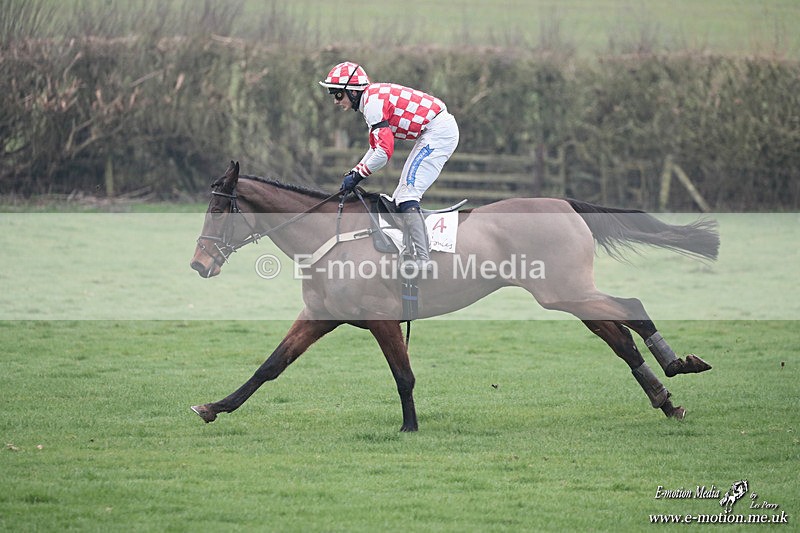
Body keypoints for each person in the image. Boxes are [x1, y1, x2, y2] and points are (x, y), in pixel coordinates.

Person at [319, 61, 459, 272]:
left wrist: (358, 176)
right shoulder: (371, 100)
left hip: (438, 132)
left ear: (353, 91)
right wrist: (355, 171)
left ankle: (423, 259)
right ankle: (412, 248)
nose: (336, 101)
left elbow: (384, 153)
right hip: (433, 130)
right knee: (401, 195)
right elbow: (375, 148)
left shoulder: (373, 104)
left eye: (338, 94)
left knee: (407, 195)